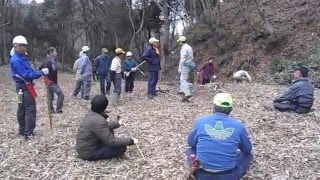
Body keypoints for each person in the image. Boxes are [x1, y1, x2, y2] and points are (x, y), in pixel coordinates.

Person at [186, 93, 253, 179]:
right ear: (231, 109)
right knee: (248, 156)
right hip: (228, 176)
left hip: (201, 174)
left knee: (190, 150)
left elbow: (191, 142)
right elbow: (247, 149)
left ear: (214, 106)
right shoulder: (239, 126)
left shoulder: (201, 121)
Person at [9, 35, 49, 140]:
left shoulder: (22, 58)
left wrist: (38, 72)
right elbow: (26, 75)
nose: (23, 48)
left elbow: (29, 72)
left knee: (21, 109)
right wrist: (41, 72)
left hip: (22, 88)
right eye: (21, 46)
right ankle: (28, 133)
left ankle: (23, 131)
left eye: (24, 46)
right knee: (30, 109)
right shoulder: (17, 60)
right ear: (15, 46)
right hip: (25, 88)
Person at [75, 95, 137, 161]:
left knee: (109, 131)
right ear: (104, 107)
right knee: (121, 147)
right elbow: (111, 141)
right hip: (90, 153)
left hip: (83, 148)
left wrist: (118, 123)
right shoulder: (99, 120)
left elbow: (103, 126)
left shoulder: (90, 114)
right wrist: (131, 141)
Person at [39, 47, 64, 113]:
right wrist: (53, 80)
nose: (56, 53)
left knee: (50, 96)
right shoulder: (50, 60)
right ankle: (58, 110)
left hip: (47, 80)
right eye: (55, 52)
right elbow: (53, 71)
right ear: (51, 52)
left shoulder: (46, 59)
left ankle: (50, 110)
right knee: (61, 94)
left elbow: (40, 68)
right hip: (51, 81)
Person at [177, 36, 195, 101]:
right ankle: (182, 90)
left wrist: (180, 67)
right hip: (190, 64)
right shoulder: (189, 47)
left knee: (183, 79)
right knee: (186, 78)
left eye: (179, 42)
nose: (179, 43)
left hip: (185, 65)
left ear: (181, 42)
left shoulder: (184, 48)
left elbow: (183, 58)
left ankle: (187, 93)